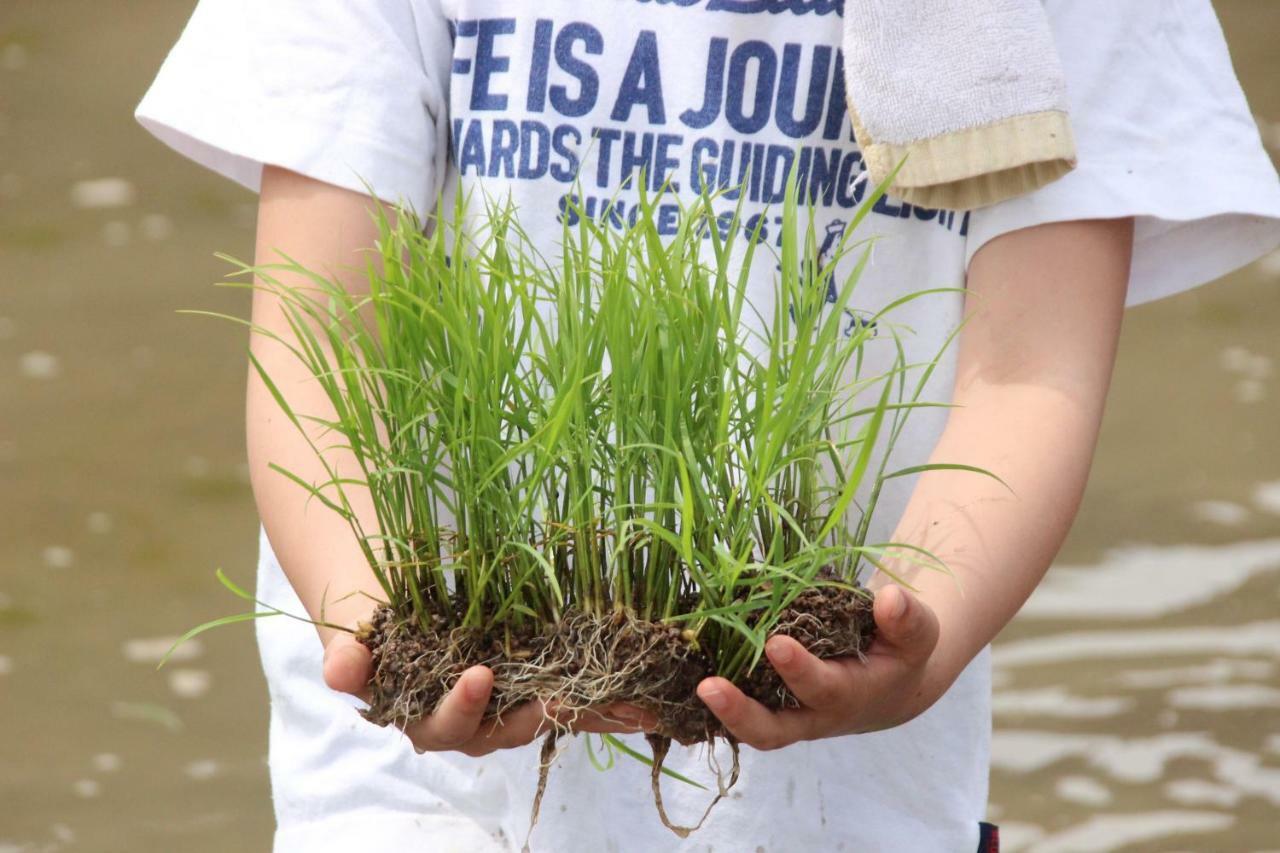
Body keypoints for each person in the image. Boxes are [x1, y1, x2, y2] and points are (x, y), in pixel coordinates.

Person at [136, 1, 1280, 850]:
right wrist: (377, 629)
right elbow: (327, 345)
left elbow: (1026, 376)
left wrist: (907, 649)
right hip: (421, 802)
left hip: (844, 798)